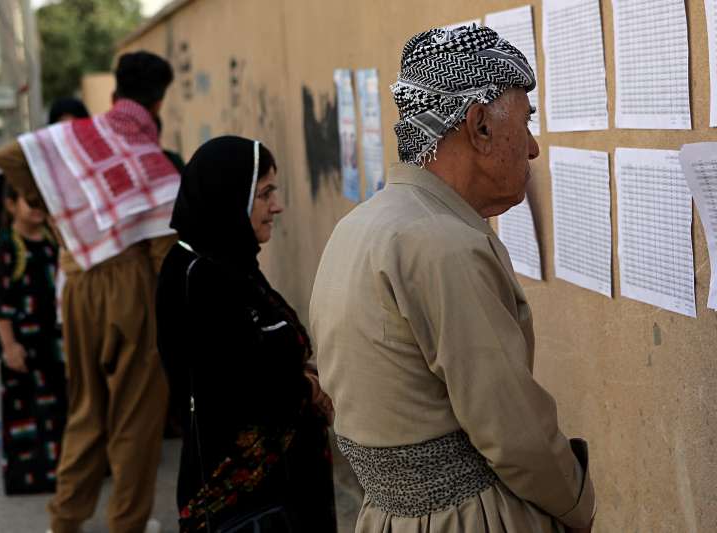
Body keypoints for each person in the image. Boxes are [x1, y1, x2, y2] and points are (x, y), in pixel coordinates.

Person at [309, 25, 595, 533]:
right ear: (479, 126)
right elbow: (517, 436)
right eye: (525, 124)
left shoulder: (359, 226)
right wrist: (578, 503)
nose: (531, 149)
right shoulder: (443, 243)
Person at [0, 51, 179, 533]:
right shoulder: (155, 163)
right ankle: (126, 524)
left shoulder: (75, 138)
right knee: (136, 418)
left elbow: (7, 157)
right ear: (158, 101)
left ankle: (65, 522)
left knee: (85, 410)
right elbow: (164, 252)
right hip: (132, 286)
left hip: (76, 281)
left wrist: (52, 207)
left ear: (116, 93)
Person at [156, 136, 337, 533]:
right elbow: (234, 384)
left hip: (280, 491)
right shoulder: (199, 277)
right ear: (229, 196)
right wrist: (307, 388)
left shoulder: (230, 264)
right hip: (246, 505)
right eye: (265, 193)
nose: (278, 206)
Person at [0, 182, 65, 495]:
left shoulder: (49, 239)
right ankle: (27, 478)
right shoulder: (7, 246)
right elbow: (2, 304)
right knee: (24, 411)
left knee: (57, 406)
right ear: (10, 205)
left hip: (52, 341)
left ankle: (61, 474)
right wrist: (9, 346)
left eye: (40, 202)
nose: (36, 208)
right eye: (29, 201)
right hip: (22, 343)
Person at [0, 98, 90, 232]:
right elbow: (1, 163)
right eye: (60, 130)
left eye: (72, 128)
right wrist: (37, 201)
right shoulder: (42, 164)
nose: (66, 136)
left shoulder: (91, 164)